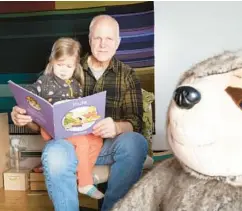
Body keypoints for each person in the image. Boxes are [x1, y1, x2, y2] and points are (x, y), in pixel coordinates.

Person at [11, 15, 148, 211]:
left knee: (136, 142)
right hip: (68, 145)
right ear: (90, 38)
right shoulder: (67, 66)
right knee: (55, 153)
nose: (102, 44)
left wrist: (117, 126)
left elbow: (136, 122)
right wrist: (24, 117)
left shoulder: (127, 75)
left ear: (117, 43)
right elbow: (41, 114)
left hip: (107, 145)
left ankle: (111, 208)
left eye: (109, 39)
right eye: (97, 38)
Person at [23, 37, 104, 199]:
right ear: (52, 61)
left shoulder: (76, 85)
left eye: (69, 66)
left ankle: (80, 172)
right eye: (60, 64)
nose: (64, 70)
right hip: (51, 128)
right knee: (81, 142)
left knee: (97, 139)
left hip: (71, 127)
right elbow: (28, 93)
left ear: (75, 66)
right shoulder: (44, 81)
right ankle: (85, 183)